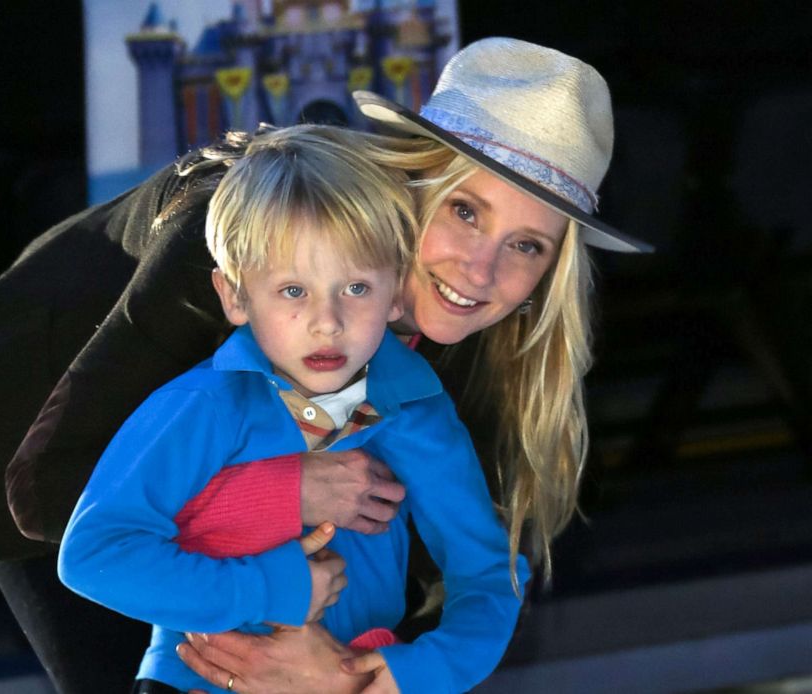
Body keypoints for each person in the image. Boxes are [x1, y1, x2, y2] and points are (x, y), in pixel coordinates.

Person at [0, 37, 652, 694]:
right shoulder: (242, 236)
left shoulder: (473, 326)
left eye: (528, 245)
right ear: (408, 181)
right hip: (41, 454)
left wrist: (353, 674)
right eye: (464, 210)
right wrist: (286, 496)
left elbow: (445, 561)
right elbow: (62, 495)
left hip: (229, 516)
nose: (481, 270)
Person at [57, 124, 528, 694]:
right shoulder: (201, 406)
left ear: (397, 291)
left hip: (350, 679)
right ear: (234, 295)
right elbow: (94, 555)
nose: (326, 321)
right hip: (199, 682)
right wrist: (268, 587)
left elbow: (486, 570)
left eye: (356, 288)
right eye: (293, 291)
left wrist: (422, 672)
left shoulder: (416, 409)